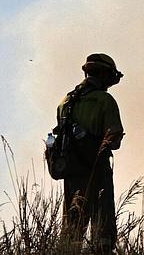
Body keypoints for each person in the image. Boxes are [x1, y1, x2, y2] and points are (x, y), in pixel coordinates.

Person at [55, 53, 125, 254]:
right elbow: (114, 139)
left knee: (71, 231)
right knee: (103, 230)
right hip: (97, 170)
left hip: (71, 172)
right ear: (105, 75)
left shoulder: (65, 102)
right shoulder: (105, 100)